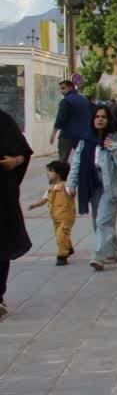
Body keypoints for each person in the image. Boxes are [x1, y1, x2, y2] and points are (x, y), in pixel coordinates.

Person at [66, 105, 117, 271]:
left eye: (103, 117)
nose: (100, 119)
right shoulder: (85, 140)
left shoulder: (116, 139)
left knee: (103, 221)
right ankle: (113, 252)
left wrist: (114, 148)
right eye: (97, 117)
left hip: (112, 187)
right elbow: (77, 164)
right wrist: (71, 184)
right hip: (93, 187)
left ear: (109, 120)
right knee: (101, 222)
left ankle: (99, 256)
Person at [0, 108, 33, 319]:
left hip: (1, 196)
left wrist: (15, 161)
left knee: (1, 246)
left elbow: (24, 153)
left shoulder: (3, 120)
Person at [27, 160, 76, 266]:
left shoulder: (65, 187)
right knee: (62, 234)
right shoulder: (51, 189)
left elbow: (72, 192)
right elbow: (44, 199)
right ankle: (68, 247)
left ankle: (62, 256)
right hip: (55, 217)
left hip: (66, 216)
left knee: (61, 235)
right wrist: (34, 205)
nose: (48, 174)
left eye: (50, 171)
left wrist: (72, 190)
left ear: (58, 173)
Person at [50, 79, 93, 163]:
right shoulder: (84, 100)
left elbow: (60, 119)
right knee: (83, 159)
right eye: (60, 89)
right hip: (83, 134)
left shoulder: (66, 101)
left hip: (67, 134)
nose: (61, 91)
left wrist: (53, 133)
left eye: (63, 88)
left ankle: (63, 175)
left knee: (63, 160)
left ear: (70, 87)